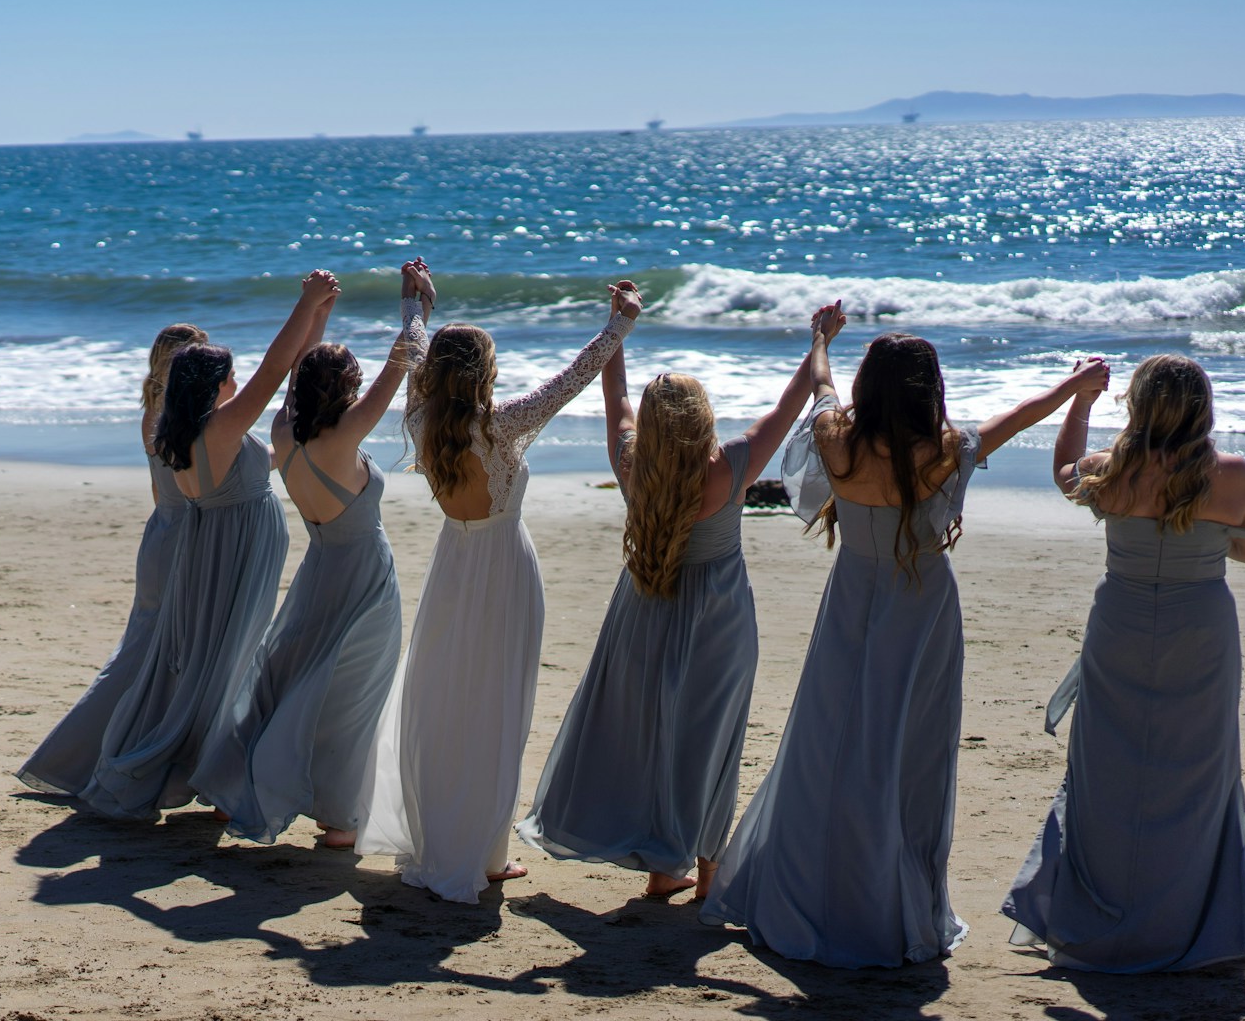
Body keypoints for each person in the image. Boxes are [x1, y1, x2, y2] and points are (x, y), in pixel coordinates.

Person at [700, 310, 1110, 967]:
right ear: (929, 390)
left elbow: (823, 386)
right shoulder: (946, 449)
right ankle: (893, 902)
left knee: (828, 745)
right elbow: (1021, 415)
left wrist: (820, 340)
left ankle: (816, 886)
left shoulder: (837, 435)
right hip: (920, 609)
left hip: (851, 601)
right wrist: (1075, 389)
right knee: (909, 755)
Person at [517, 305, 834, 900]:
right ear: (702, 419)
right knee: (711, 742)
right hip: (719, 620)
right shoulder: (733, 465)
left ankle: (663, 862)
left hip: (644, 609)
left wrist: (618, 329)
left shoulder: (632, 464)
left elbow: (616, 400)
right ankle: (701, 872)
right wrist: (819, 342)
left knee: (650, 737)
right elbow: (790, 406)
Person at [356, 277, 641, 902]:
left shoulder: (422, 418)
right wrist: (619, 325)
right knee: (497, 706)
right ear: (485, 374)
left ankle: (458, 840)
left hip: (453, 564)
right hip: (504, 570)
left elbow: (413, 346)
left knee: (445, 699)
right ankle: (483, 855)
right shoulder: (502, 426)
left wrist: (416, 303)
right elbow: (570, 380)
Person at [1002, 354, 1245, 972]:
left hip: (1120, 625)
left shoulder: (1109, 470)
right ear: (1204, 407)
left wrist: (1080, 401)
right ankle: (1186, 920)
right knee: (1197, 773)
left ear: (1137, 405)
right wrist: (1205, 536)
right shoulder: (1232, 475)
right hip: (1199, 632)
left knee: (1110, 772)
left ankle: (1104, 913)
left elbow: (1063, 471)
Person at [76, 270, 338, 821]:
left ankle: (208, 773)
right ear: (214, 386)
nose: (239, 384)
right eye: (231, 378)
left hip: (223, 553)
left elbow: (287, 386)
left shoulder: (188, 430)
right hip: (233, 558)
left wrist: (319, 316)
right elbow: (274, 370)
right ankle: (210, 776)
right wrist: (304, 304)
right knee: (228, 663)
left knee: (218, 662)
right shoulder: (217, 429)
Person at [193, 260, 437, 847]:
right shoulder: (344, 435)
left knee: (293, 677)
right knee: (354, 697)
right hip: (362, 580)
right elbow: (399, 368)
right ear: (346, 391)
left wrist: (317, 310)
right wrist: (417, 305)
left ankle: (246, 785)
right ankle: (337, 818)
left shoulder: (284, 430)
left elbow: (296, 372)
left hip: (318, 570)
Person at [16, 323, 209, 795]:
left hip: (162, 533)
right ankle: (74, 761)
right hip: (179, 537)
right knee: (148, 654)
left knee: (149, 651)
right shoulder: (181, 416)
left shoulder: (155, 412)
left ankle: (118, 758)